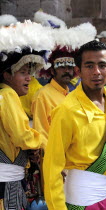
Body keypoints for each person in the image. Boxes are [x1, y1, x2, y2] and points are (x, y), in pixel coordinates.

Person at [43, 40, 106, 210]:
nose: (96, 72)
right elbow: (52, 166)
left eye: (102, 65)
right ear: (78, 71)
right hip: (80, 199)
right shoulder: (67, 110)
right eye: (89, 66)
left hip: (105, 193)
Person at [0, 20, 54, 210]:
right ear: (7, 75)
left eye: (29, 73)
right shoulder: (7, 95)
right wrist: (44, 143)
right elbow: (22, 136)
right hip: (7, 185)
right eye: (23, 72)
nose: (29, 78)